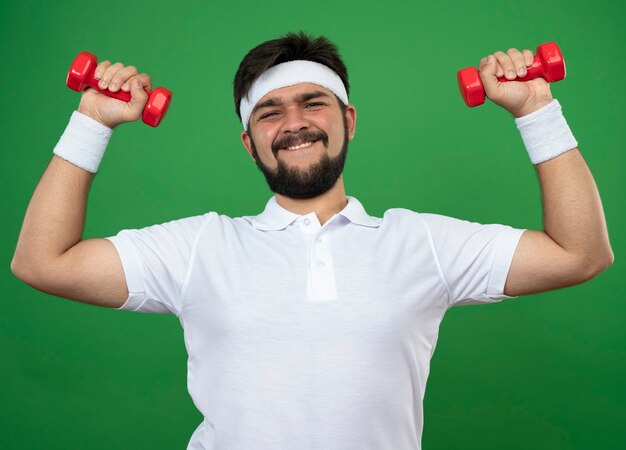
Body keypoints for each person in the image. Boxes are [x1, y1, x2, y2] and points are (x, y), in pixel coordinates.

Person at [12, 31, 613, 450]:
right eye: (269, 112)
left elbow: (579, 253)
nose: (294, 122)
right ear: (249, 143)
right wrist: (90, 120)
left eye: (312, 102)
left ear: (348, 120)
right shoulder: (202, 247)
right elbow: (42, 262)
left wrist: (537, 109)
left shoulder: (420, 242)